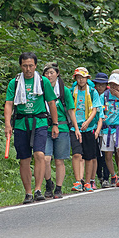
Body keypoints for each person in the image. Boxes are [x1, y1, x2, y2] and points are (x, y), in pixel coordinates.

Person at [4, 52, 60, 204]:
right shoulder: (14, 82)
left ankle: (38, 189)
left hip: (40, 122)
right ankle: (28, 192)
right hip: (21, 123)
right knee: (24, 159)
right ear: (20, 66)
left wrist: (55, 124)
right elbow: (9, 103)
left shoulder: (43, 81)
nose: (28, 69)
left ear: (35, 66)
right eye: (25, 66)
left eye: (30, 66)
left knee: (39, 154)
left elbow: (51, 103)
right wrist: (7, 124)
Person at [41, 62, 80, 198]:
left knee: (59, 160)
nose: (49, 76)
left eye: (52, 73)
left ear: (57, 74)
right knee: (45, 158)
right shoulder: (41, 89)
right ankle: (48, 183)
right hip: (45, 127)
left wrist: (76, 129)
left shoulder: (64, 91)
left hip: (62, 128)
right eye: (46, 73)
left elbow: (71, 110)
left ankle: (58, 188)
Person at [72, 67, 103, 192]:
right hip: (75, 127)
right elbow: (70, 109)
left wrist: (87, 122)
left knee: (89, 156)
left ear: (87, 79)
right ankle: (78, 181)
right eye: (78, 77)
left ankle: (88, 181)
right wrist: (76, 125)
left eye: (83, 77)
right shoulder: (72, 91)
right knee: (77, 154)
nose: (81, 80)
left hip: (89, 127)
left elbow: (95, 109)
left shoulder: (92, 92)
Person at [92, 72, 112, 188]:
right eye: (98, 85)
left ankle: (106, 178)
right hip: (94, 127)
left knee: (106, 154)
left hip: (106, 129)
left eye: (103, 85)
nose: (100, 87)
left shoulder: (108, 96)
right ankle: (99, 175)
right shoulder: (92, 95)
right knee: (96, 154)